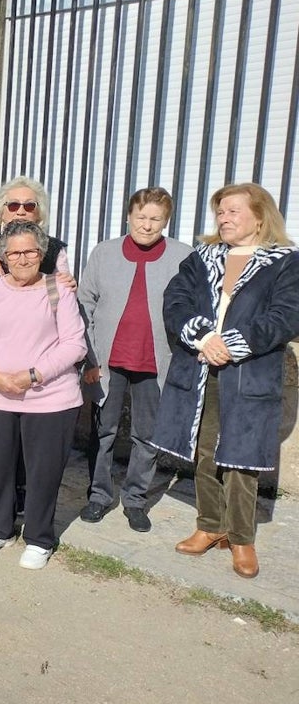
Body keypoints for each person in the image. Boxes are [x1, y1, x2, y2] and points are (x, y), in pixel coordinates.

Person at [152, 184, 299, 579]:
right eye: (220, 211)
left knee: (241, 458)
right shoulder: (201, 258)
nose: (224, 218)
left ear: (259, 215)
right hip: (202, 367)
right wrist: (203, 337)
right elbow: (175, 301)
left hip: (249, 371)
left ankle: (241, 538)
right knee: (204, 451)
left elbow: (286, 316)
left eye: (233, 211)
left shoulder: (286, 262)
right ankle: (209, 525)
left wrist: (232, 345)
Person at [0, 221, 87, 570]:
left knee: (42, 472)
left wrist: (32, 375)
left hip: (51, 399)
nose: (22, 259)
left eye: (30, 251)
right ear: (3, 256)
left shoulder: (58, 290)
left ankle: (39, 537)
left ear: (42, 253)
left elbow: (74, 345)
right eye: (14, 252)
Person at [0, 176, 74, 514]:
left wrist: (68, 284)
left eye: (29, 205)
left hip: (37, 354)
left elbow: (64, 293)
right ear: (0, 210)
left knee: (25, 425)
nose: (21, 210)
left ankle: (19, 490)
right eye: (13, 204)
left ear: (39, 213)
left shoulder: (53, 248)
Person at [76, 187, 191, 533]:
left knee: (147, 435)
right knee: (104, 431)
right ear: (129, 216)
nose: (147, 224)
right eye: (141, 216)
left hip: (156, 362)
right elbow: (85, 303)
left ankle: (136, 500)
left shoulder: (183, 256)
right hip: (108, 360)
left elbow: (189, 307)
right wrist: (89, 358)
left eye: (155, 218)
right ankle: (98, 495)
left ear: (166, 220)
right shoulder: (105, 253)